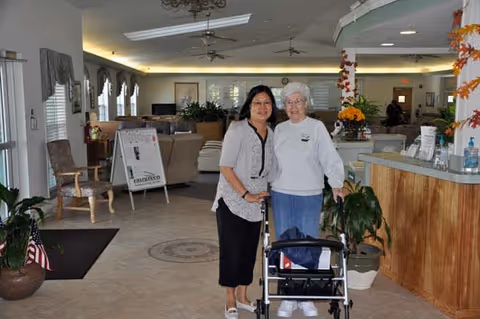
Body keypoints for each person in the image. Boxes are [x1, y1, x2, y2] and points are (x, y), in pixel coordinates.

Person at [271, 82, 345, 318]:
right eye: (289, 102)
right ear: (284, 105)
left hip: (309, 193)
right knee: (286, 245)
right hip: (281, 193)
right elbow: (270, 162)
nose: (293, 106)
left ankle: (305, 297)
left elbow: (329, 157)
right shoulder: (279, 129)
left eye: (298, 101)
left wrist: (336, 184)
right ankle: (288, 297)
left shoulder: (316, 127)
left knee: (307, 245)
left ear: (306, 103)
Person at [213, 85, 278, 319]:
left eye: (267, 102)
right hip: (232, 199)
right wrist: (244, 194)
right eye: (257, 103)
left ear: (272, 107)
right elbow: (225, 166)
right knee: (232, 250)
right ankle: (230, 298)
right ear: (249, 106)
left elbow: (273, 170)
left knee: (249, 251)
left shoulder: (272, 133)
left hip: (258, 200)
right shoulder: (237, 129)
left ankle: (242, 296)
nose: (262, 107)